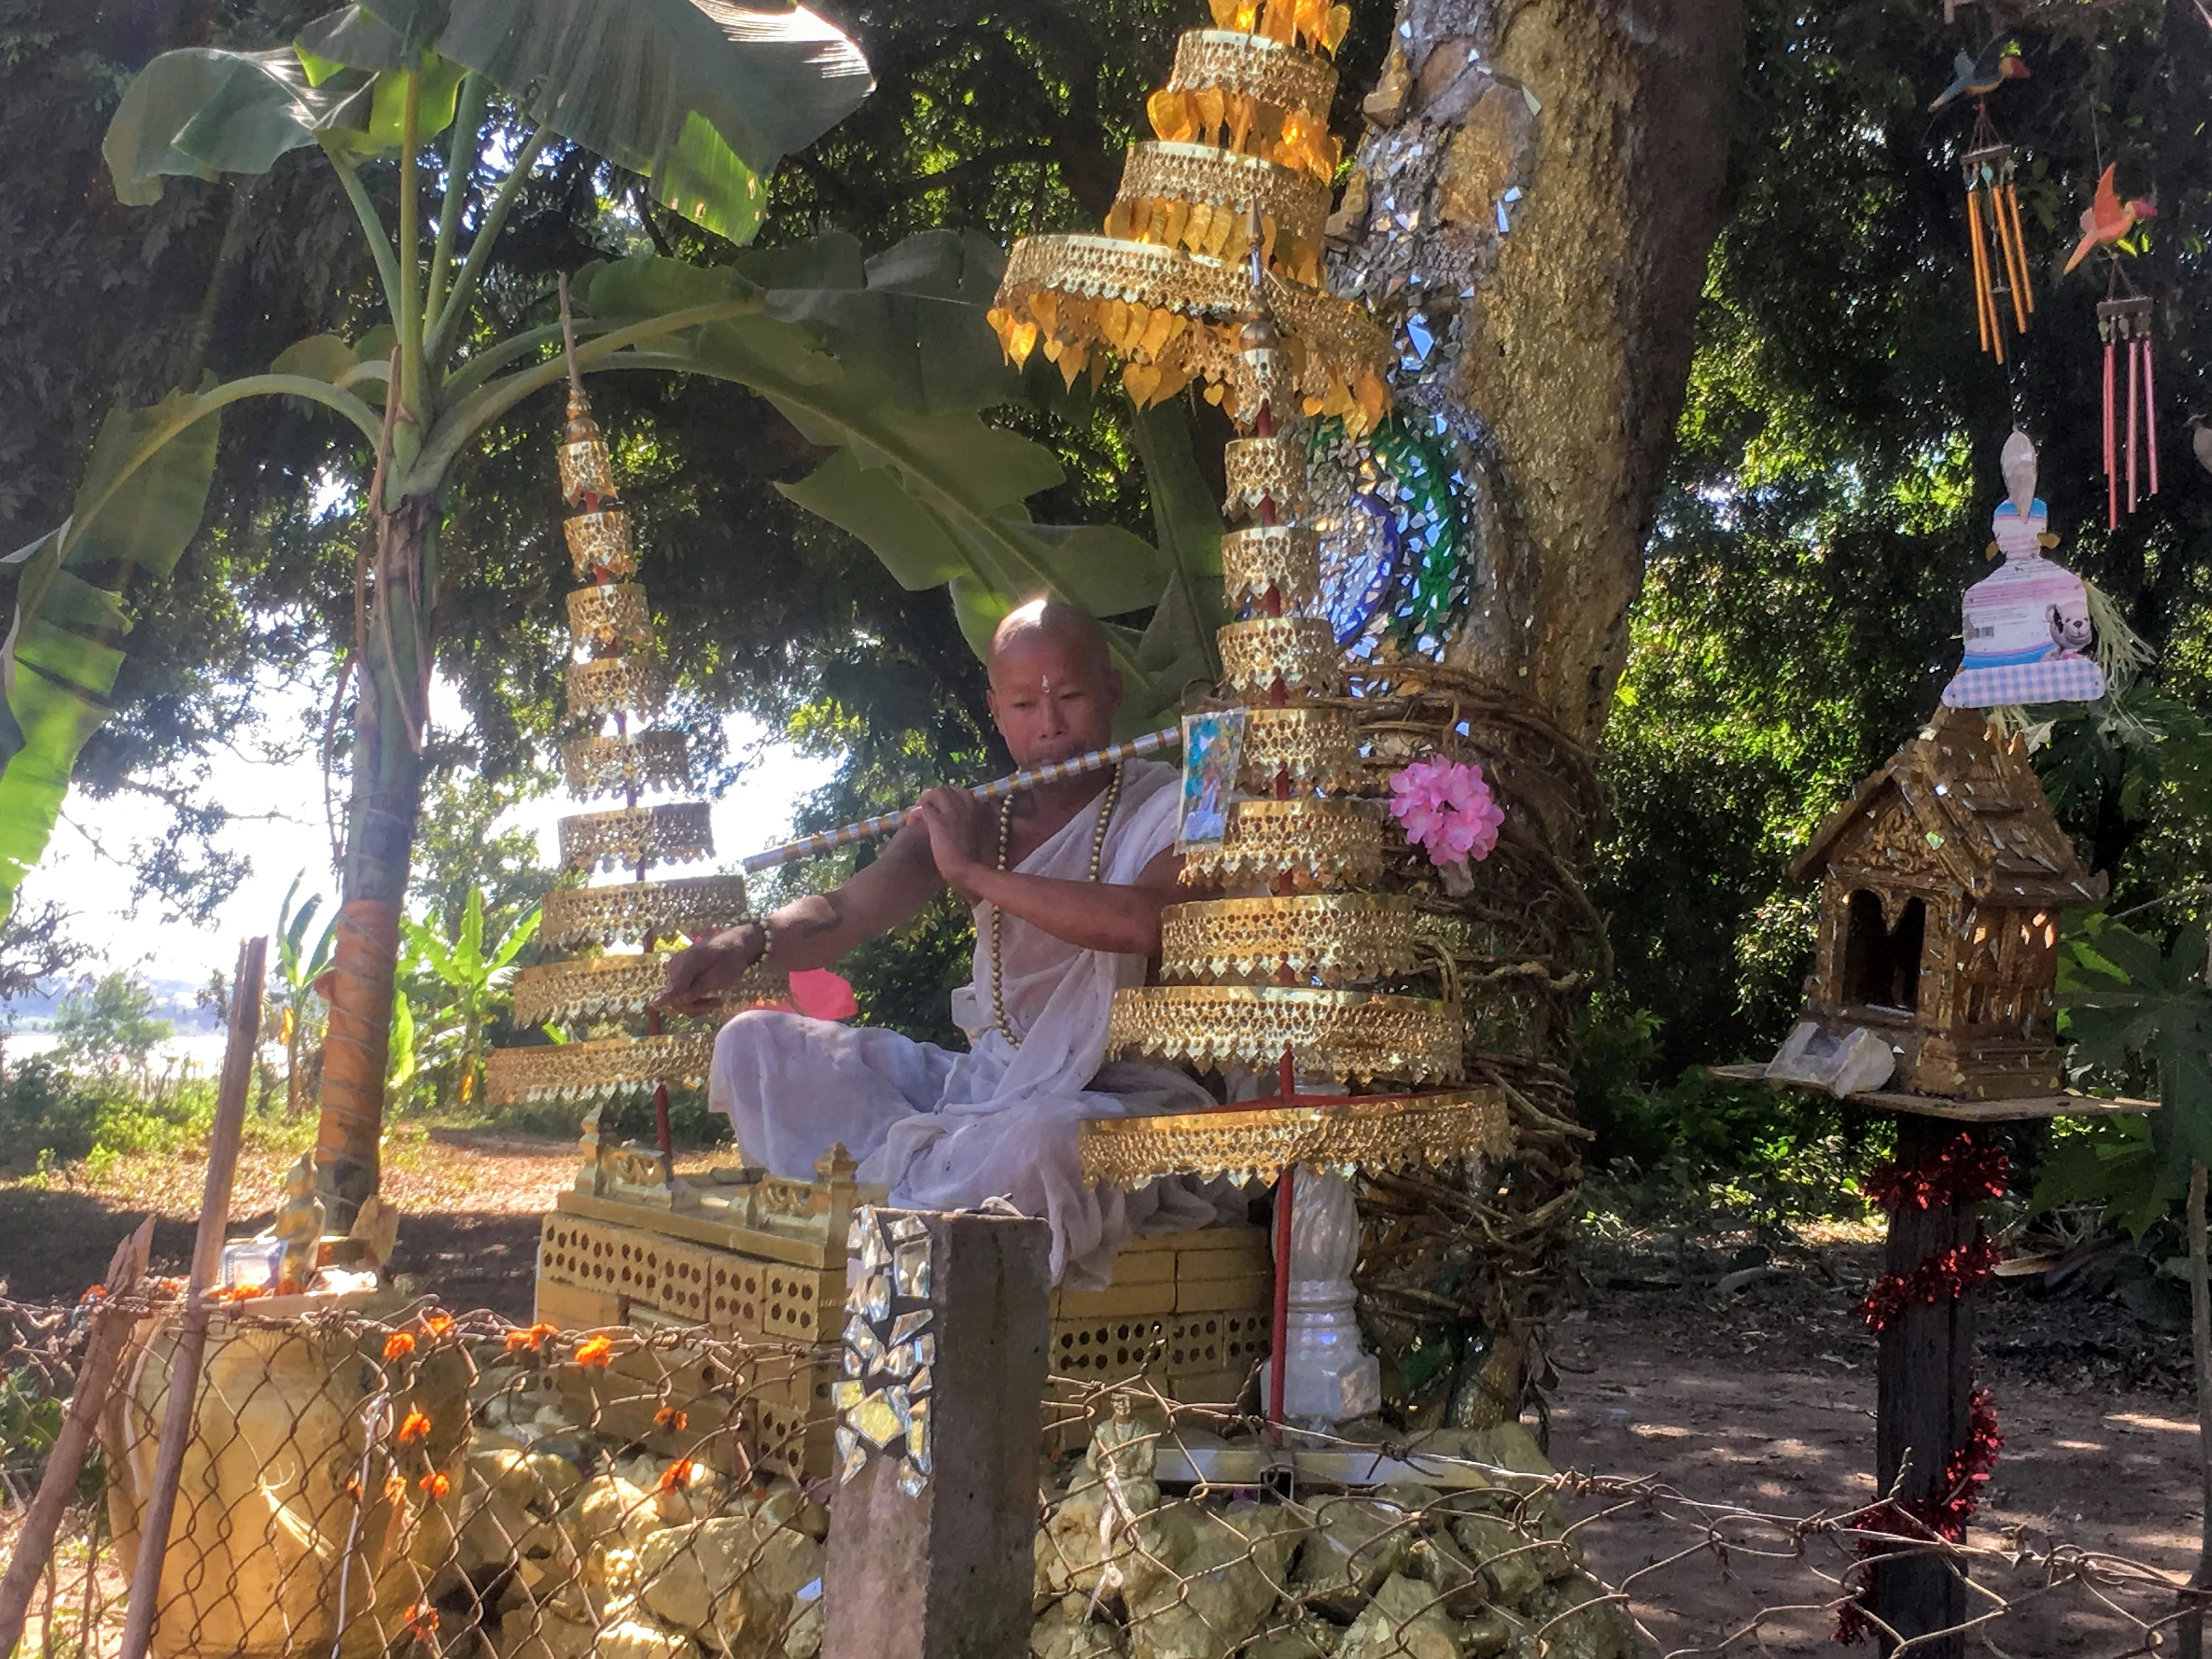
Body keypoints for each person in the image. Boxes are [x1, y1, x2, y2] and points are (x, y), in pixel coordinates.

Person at [658, 597, 1232, 1287]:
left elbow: (1153, 921)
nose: (1051, 727)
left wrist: (974, 875)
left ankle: (885, 1238)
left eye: (1072, 696)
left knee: (1047, 1143)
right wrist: (744, 944)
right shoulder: (974, 819)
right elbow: (843, 911)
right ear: (996, 711)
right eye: (1024, 706)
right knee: (754, 1046)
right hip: (984, 1088)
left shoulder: (1183, 800)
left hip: (1121, 1097)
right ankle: (905, 1211)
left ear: (1112, 692)